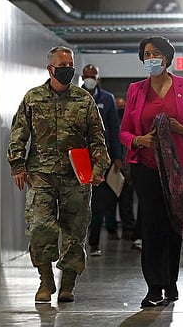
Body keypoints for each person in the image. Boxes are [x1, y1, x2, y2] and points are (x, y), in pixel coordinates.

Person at [7, 46, 110, 303]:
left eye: (70, 65)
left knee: (74, 231)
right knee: (40, 226)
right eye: (62, 65)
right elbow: (19, 132)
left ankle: (68, 283)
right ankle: (45, 279)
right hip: (41, 174)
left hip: (76, 176)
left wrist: (99, 169)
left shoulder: (84, 100)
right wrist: (17, 165)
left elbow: (98, 138)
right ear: (50, 68)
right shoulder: (33, 98)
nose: (68, 69)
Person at [119, 36, 183, 307]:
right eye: (146, 54)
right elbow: (123, 131)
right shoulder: (136, 90)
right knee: (150, 226)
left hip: (181, 169)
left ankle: (171, 283)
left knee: (173, 226)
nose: (151, 58)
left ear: (168, 58)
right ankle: (153, 287)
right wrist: (139, 140)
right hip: (146, 167)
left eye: (156, 53)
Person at [81, 64, 123, 256]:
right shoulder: (74, 96)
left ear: (98, 78)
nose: (89, 78)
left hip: (100, 158)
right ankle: (77, 242)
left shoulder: (107, 99)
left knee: (98, 202)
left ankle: (94, 242)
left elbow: (114, 129)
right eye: (86, 75)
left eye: (92, 75)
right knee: (78, 202)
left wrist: (117, 157)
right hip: (80, 157)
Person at [115, 97, 137, 242]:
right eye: (118, 107)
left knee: (127, 201)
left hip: (130, 168)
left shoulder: (132, 123)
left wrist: (128, 167)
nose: (121, 110)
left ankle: (129, 227)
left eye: (123, 107)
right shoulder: (112, 124)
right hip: (115, 168)